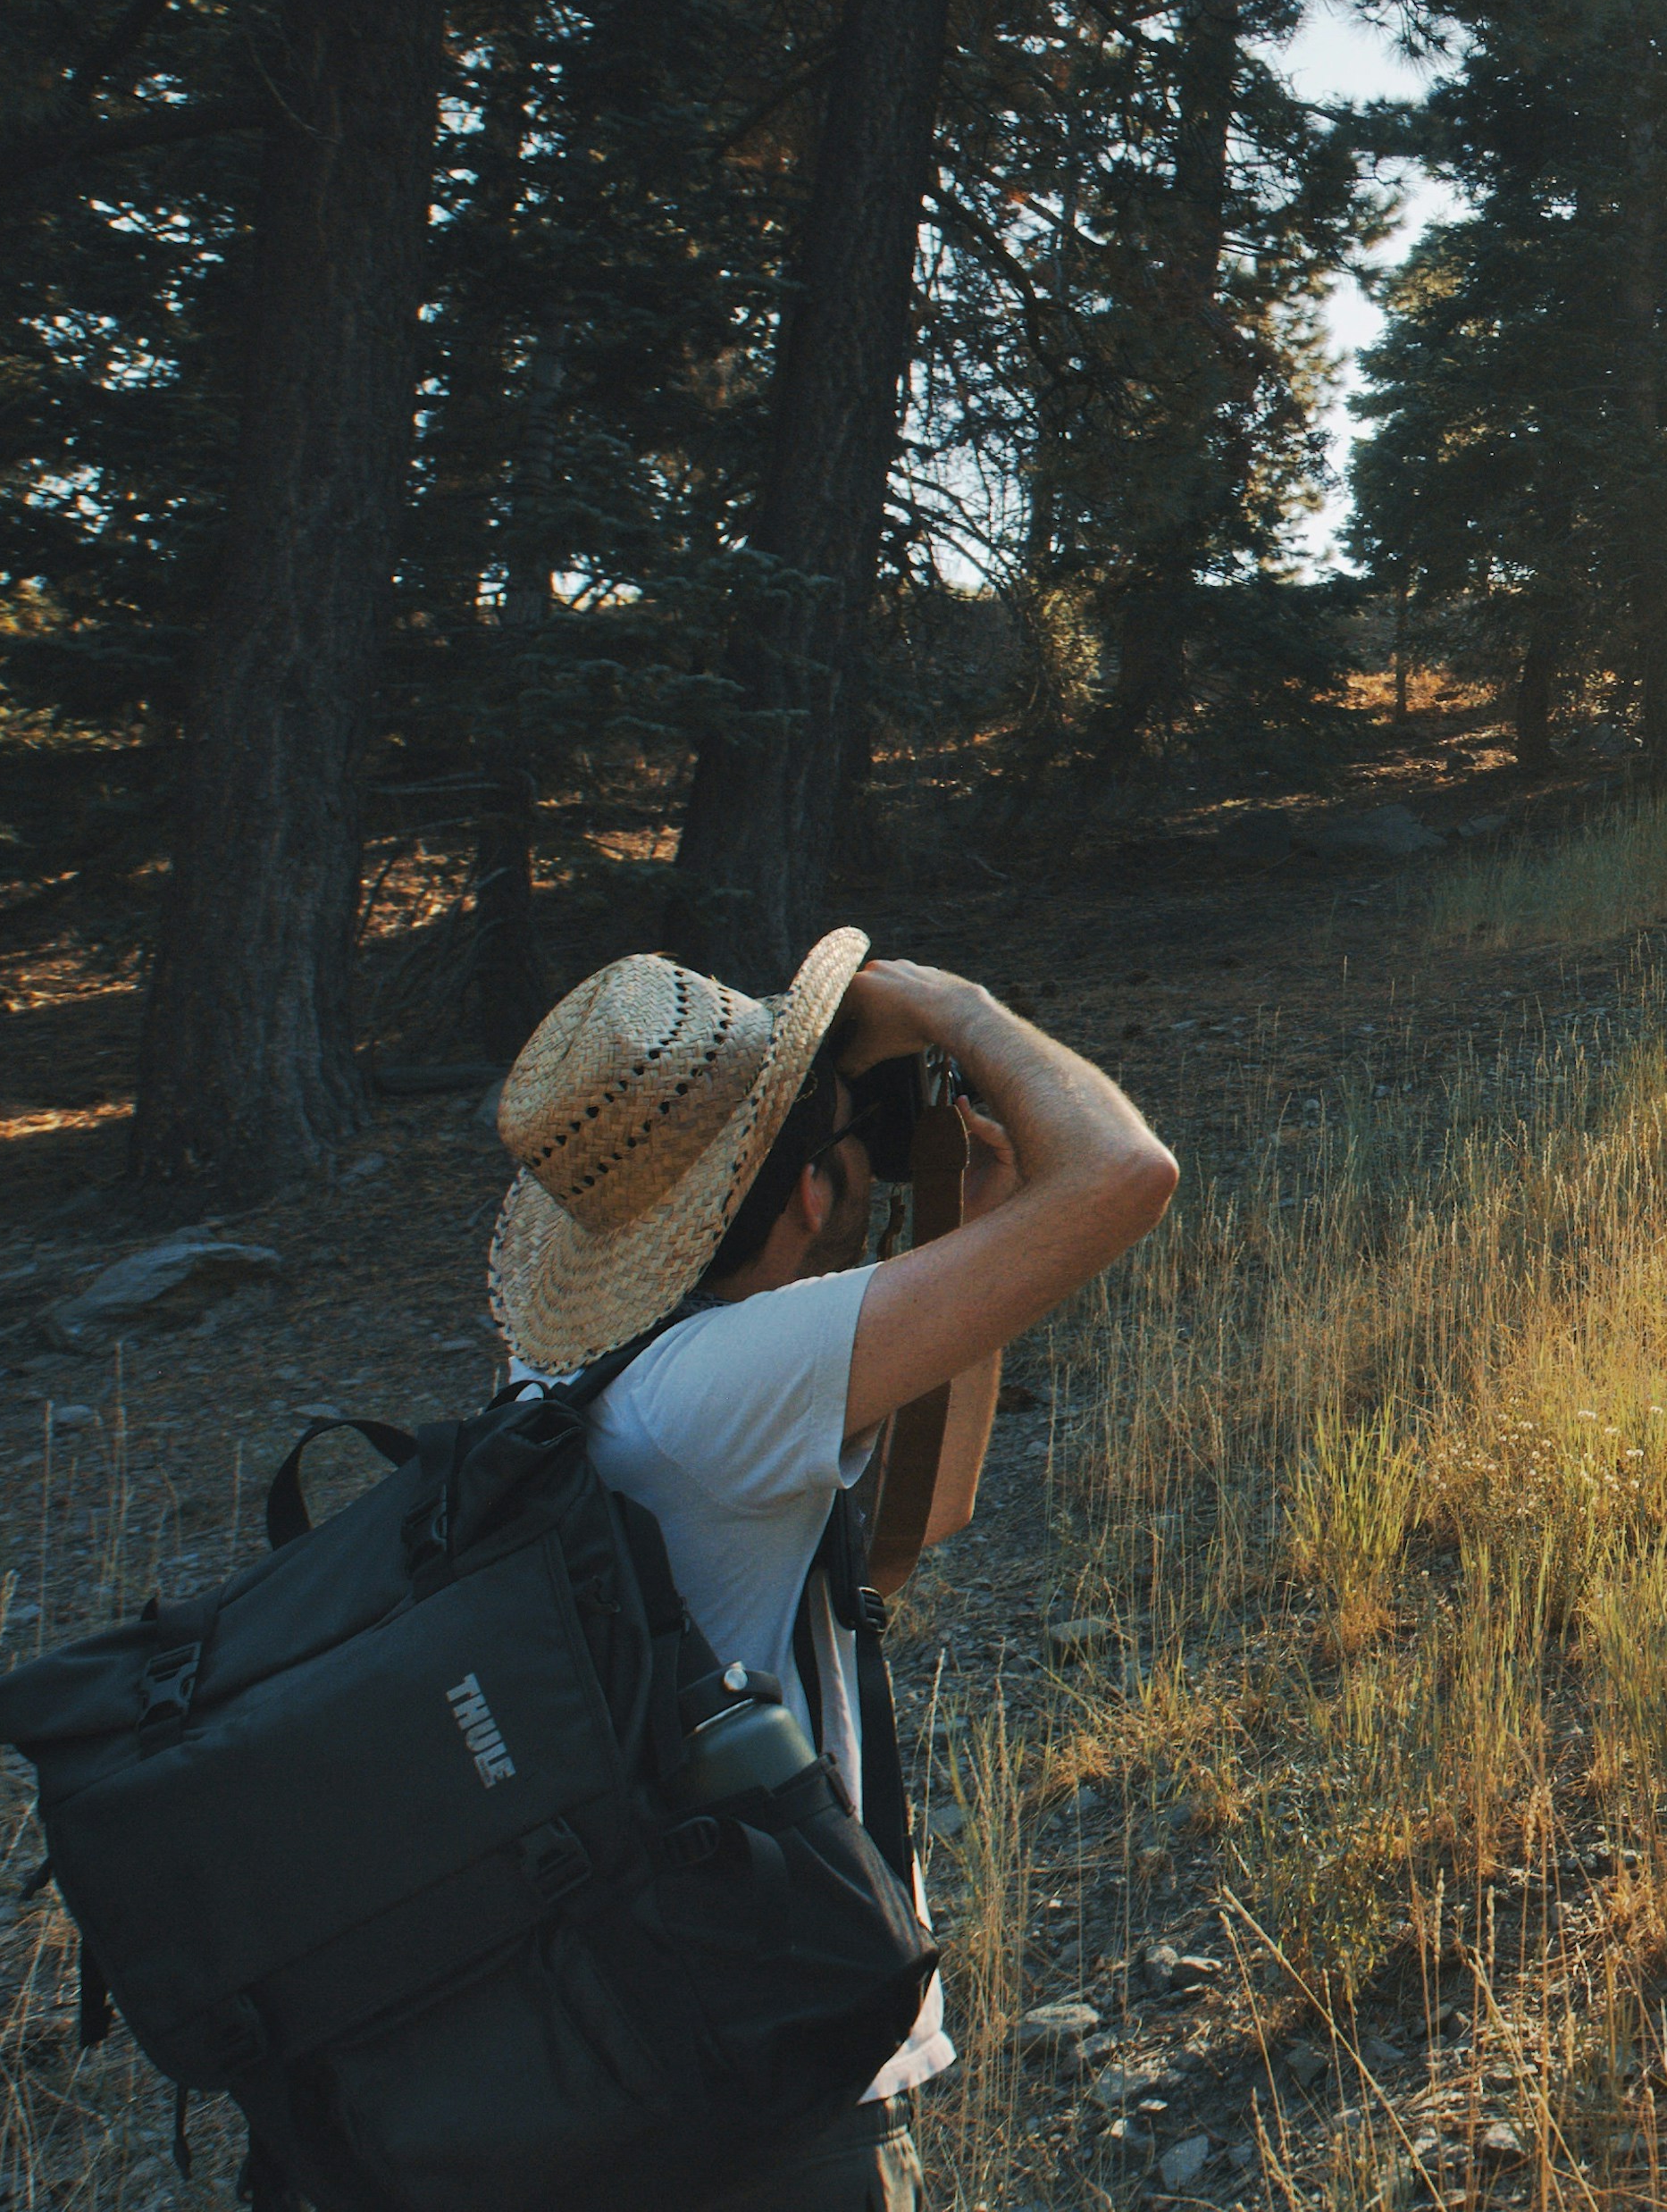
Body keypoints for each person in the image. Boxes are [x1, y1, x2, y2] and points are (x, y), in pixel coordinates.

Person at [482, 931, 1180, 2212]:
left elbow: (928, 1516)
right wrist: (951, 1005)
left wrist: (972, 1219)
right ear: (810, 1193)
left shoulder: (575, 1372)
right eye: (848, 1144)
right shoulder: (733, 1378)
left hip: (635, 2013)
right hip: (763, 2069)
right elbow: (1129, 1173)